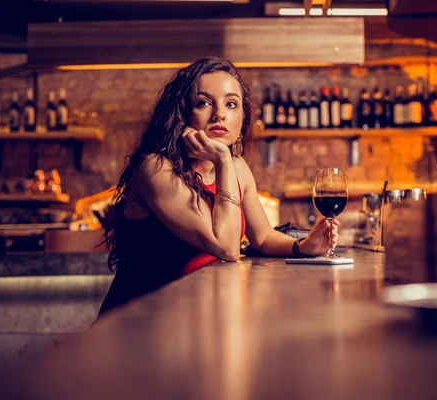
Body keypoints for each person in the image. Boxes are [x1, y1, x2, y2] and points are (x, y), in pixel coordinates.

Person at [98, 57, 339, 317]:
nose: (219, 114)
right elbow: (225, 247)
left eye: (231, 104)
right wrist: (223, 159)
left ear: (243, 117)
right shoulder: (156, 168)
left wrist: (303, 246)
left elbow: (264, 236)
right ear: (182, 113)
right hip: (137, 322)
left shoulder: (237, 167)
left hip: (192, 317)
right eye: (203, 102)